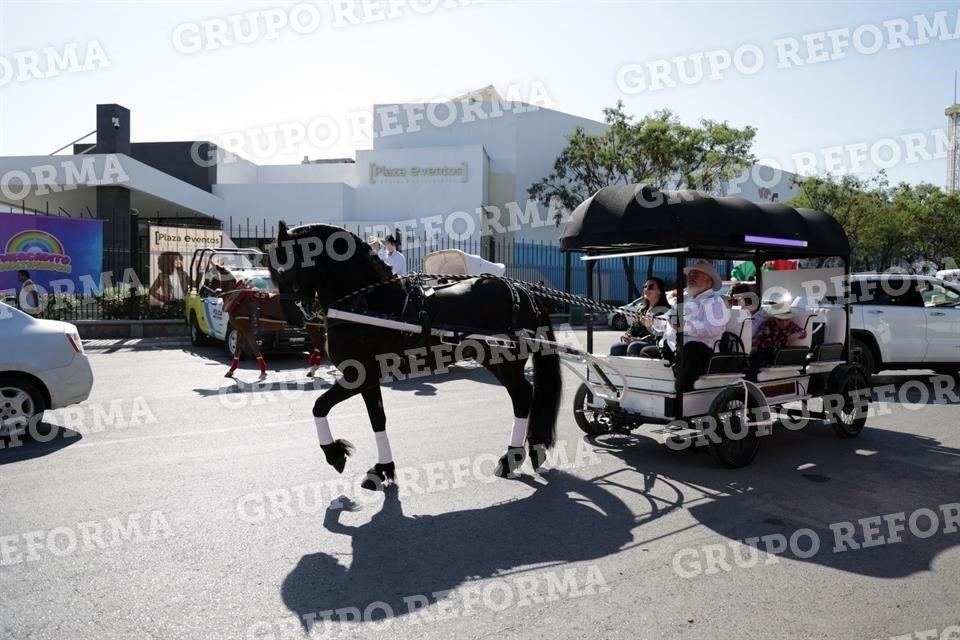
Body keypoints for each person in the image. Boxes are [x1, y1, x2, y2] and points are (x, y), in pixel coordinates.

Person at [639, 260, 728, 392]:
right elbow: (667, 320)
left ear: (709, 281)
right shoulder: (685, 299)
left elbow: (712, 330)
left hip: (700, 352)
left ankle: (681, 394)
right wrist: (653, 322)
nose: (690, 278)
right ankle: (654, 392)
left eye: (695, 275)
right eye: (690, 275)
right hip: (674, 348)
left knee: (690, 349)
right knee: (645, 352)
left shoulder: (715, 302)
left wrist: (683, 326)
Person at [610, 277, 668, 356]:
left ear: (659, 291)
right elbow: (632, 328)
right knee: (616, 348)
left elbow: (662, 334)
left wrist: (640, 339)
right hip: (638, 342)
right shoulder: (642, 311)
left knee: (634, 347)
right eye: (645, 287)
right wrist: (628, 336)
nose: (646, 289)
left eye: (651, 287)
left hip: (654, 344)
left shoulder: (665, 311)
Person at [751, 293, 806, 368]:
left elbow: (803, 332)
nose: (784, 323)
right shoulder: (767, 326)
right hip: (764, 355)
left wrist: (797, 334)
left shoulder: (791, 326)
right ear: (775, 319)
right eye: (780, 320)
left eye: (787, 320)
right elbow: (756, 343)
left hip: (780, 358)